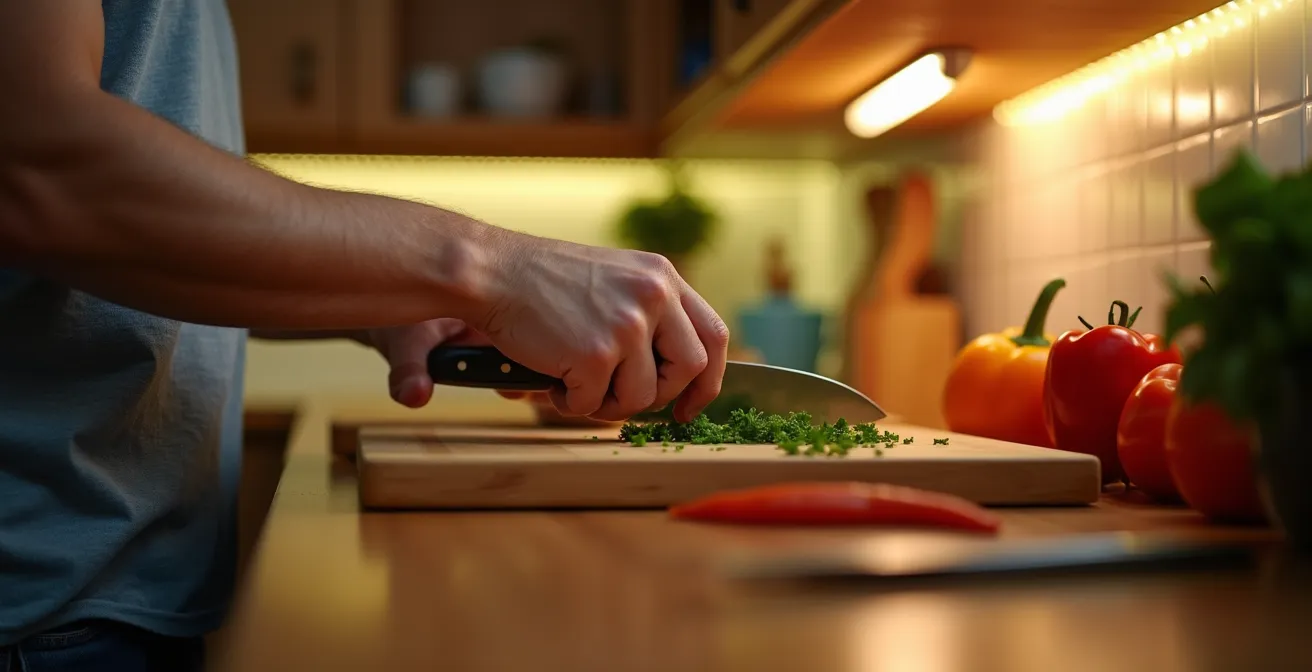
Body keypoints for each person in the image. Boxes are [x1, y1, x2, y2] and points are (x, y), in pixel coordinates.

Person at [0, 1, 729, 670]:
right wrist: (491, 267)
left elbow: (139, 234)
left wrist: (380, 306)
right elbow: (33, 167)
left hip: (116, 594)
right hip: (38, 618)